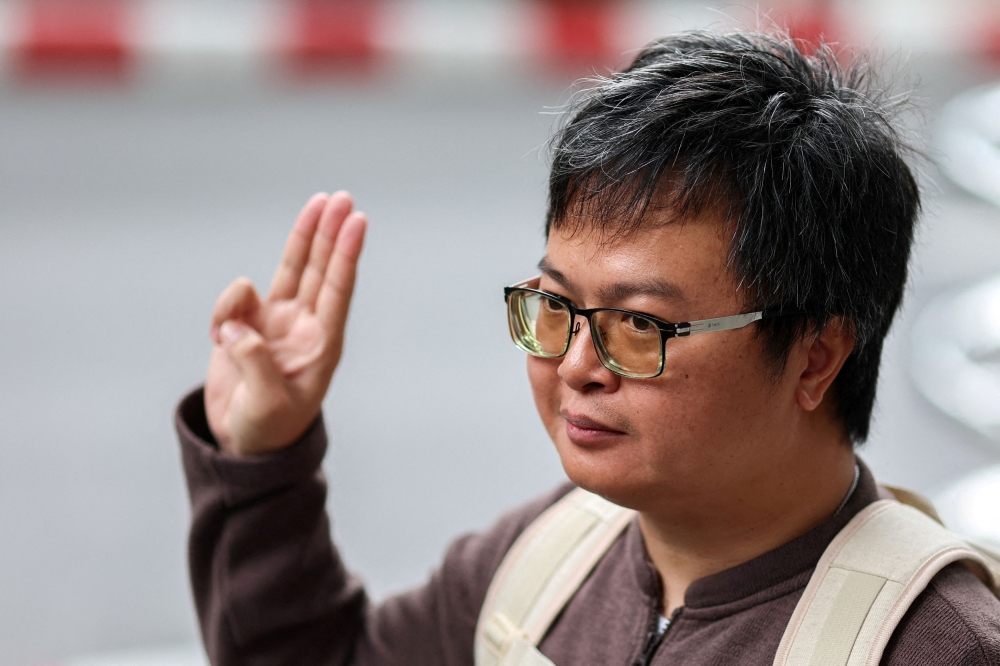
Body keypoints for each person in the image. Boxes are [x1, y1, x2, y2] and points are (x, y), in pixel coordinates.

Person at [175, 30, 1000, 665]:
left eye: (638, 325)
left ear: (816, 357)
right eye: (559, 305)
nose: (576, 365)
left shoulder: (935, 644)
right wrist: (264, 455)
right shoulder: (546, 565)